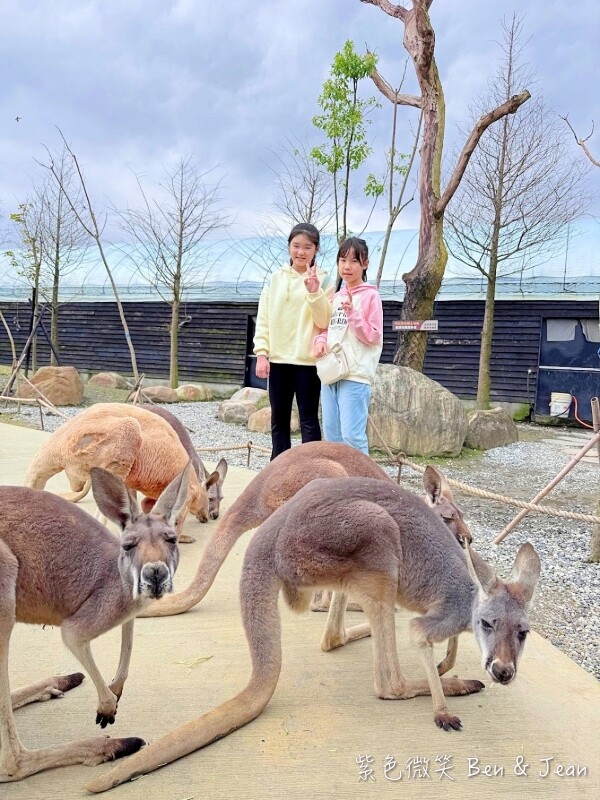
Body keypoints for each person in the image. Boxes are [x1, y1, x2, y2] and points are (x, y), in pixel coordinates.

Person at [254, 222, 332, 460]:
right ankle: (278, 469)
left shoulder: (324, 279)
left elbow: (324, 320)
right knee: (279, 419)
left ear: (316, 249)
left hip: (308, 363)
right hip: (278, 360)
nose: (301, 252)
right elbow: (264, 317)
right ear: (289, 247)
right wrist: (261, 353)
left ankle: (312, 469)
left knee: (309, 419)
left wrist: (314, 292)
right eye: (296, 246)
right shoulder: (275, 278)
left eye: (307, 247)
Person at [314, 236, 383, 455]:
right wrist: (320, 341)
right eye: (343, 260)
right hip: (331, 373)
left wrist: (353, 314)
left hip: (355, 374)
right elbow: (326, 327)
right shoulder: (336, 296)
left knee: (352, 436)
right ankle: (338, 485)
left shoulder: (371, 296)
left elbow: (373, 336)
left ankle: (363, 487)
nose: (347, 266)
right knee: (332, 435)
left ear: (365, 264)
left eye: (354, 261)